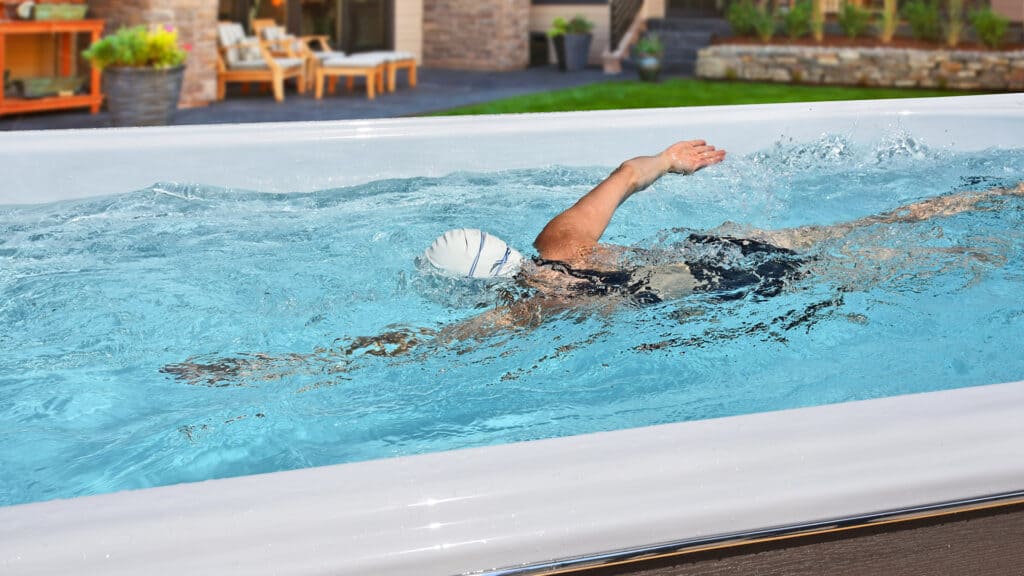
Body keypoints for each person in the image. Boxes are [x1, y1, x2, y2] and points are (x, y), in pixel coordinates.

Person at [162, 139, 1022, 384]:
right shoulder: (560, 244)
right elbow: (626, 174)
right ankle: (999, 192)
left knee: (921, 256)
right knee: (901, 220)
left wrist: (274, 368)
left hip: (738, 282)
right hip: (722, 249)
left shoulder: (530, 309)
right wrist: (667, 164)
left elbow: (401, 350)